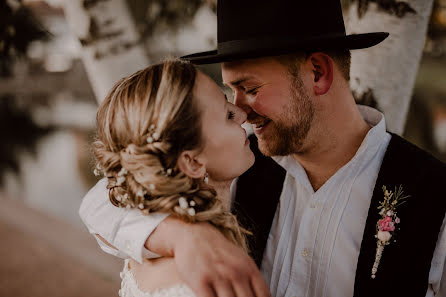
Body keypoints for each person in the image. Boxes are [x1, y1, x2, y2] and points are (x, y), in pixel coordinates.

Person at [80, 1, 446, 297]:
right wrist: (186, 237)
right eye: (230, 93)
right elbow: (103, 201)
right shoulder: (233, 163)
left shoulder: (435, 194)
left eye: (250, 88)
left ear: (318, 72)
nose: (239, 110)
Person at [88, 59, 258, 297]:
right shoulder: (204, 279)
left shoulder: (149, 243)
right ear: (192, 162)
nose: (243, 115)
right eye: (227, 115)